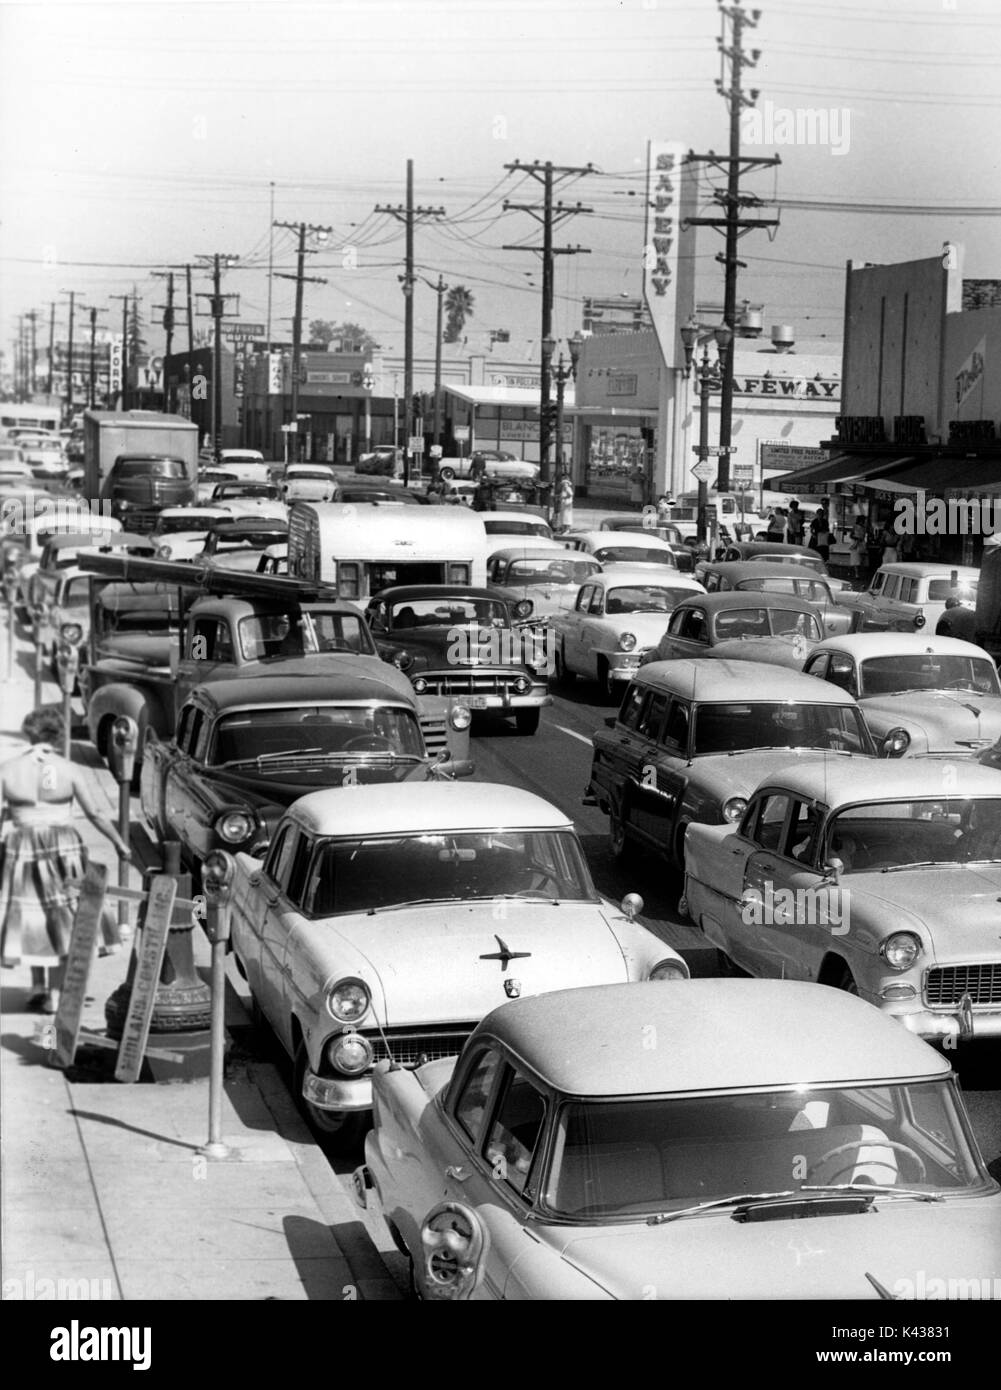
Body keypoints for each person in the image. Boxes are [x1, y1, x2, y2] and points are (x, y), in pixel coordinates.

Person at [1, 708, 130, 1013]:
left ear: (27, 732)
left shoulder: (8, 769)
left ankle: (38, 986)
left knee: (32, 915)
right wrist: (119, 842)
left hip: (23, 846)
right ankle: (55, 995)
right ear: (58, 735)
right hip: (63, 848)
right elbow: (95, 813)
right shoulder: (69, 768)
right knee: (62, 919)